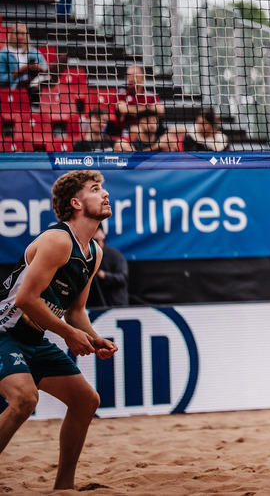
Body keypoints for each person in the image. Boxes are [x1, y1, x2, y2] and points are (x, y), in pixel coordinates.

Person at [0, 170, 119, 490]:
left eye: (103, 189)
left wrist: (94, 339)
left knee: (86, 401)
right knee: (25, 398)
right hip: (3, 332)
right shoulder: (57, 240)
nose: (105, 194)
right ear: (76, 202)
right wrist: (68, 334)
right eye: (96, 189)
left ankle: (64, 486)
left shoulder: (94, 253)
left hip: (33, 339)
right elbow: (26, 299)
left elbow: (76, 311)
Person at [106, 64, 163, 139]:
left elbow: (160, 110)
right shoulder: (121, 94)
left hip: (150, 129)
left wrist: (131, 110)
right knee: (137, 130)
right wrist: (149, 109)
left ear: (143, 78)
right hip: (126, 130)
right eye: (128, 76)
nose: (130, 79)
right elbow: (122, 109)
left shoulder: (151, 95)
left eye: (134, 76)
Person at [85, 225, 129, 308]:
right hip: (95, 307)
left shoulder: (115, 254)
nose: (94, 234)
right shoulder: (87, 257)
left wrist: (103, 275)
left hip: (116, 305)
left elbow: (123, 277)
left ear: (103, 233)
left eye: (96, 231)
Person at [0, 22, 47, 89]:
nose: (20, 37)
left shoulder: (34, 52)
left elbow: (46, 71)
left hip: (36, 85)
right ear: (11, 35)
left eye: (23, 34)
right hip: (16, 89)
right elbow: (1, 80)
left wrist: (39, 68)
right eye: (17, 33)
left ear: (27, 36)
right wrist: (19, 71)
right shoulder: (3, 54)